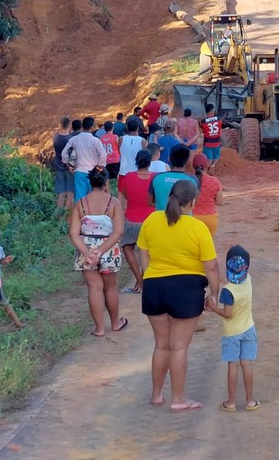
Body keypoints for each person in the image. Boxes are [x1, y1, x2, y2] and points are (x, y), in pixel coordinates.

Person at [137, 179, 220, 412]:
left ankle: (156, 395)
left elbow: (144, 256)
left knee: (161, 345)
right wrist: (214, 293)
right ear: (193, 202)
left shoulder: (152, 220)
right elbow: (211, 266)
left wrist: (146, 281)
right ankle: (178, 399)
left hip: (154, 287)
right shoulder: (197, 228)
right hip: (185, 289)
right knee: (179, 347)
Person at [69, 167, 127, 337]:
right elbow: (118, 231)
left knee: (94, 288)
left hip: (86, 248)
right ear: (106, 182)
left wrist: (88, 253)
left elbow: (73, 233)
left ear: (90, 181)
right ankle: (115, 323)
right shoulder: (114, 203)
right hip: (108, 249)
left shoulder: (80, 204)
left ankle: (99, 328)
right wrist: (101, 250)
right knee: (111, 288)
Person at [207, 245, 259, 412]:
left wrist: (211, 307)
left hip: (232, 334)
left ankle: (231, 402)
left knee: (233, 366)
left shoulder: (228, 291)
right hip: (249, 329)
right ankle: (250, 401)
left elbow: (228, 314)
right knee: (247, 364)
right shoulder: (248, 279)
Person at [120, 149, 155, 294]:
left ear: (136, 161)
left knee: (128, 248)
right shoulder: (155, 177)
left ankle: (139, 280)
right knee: (148, 251)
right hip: (151, 220)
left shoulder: (127, 177)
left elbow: (122, 199)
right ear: (150, 162)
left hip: (131, 219)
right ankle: (146, 279)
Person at [61, 117, 108, 202]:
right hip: (93, 172)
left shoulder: (74, 139)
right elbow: (103, 155)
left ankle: (81, 214)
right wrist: (100, 167)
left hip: (79, 171)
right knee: (94, 197)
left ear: (82, 126)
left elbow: (64, 154)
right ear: (92, 127)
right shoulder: (95, 140)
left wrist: (69, 167)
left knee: (80, 198)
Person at [148, 144, 196, 211]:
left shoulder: (157, 177)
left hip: (162, 219)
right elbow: (193, 203)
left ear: (169, 158)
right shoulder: (193, 180)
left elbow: (150, 202)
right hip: (185, 220)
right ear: (187, 161)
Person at [192, 153, 224, 236]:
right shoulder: (214, 181)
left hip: (192, 218)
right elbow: (220, 202)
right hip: (210, 218)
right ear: (207, 165)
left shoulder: (189, 180)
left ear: (193, 166)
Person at [117, 119, 148, 203]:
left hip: (123, 171)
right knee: (135, 194)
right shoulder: (143, 141)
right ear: (138, 128)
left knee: (121, 194)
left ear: (127, 127)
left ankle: (119, 212)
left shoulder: (120, 139)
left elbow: (120, 151)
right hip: (136, 171)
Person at [51, 116, 76, 216]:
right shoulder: (71, 139)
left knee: (61, 193)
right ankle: (67, 216)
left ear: (60, 125)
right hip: (69, 168)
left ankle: (58, 215)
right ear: (69, 125)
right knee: (70, 192)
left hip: (58, 166)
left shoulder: (55, 137)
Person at [200, 103, 223, 171]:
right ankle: (213, 165)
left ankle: (208, 167)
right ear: (213, 111)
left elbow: (202, 129)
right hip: (217, 142)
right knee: (216, 155)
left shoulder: (203, 121)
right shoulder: (219, 119)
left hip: (207, 143)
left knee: (208, 157)